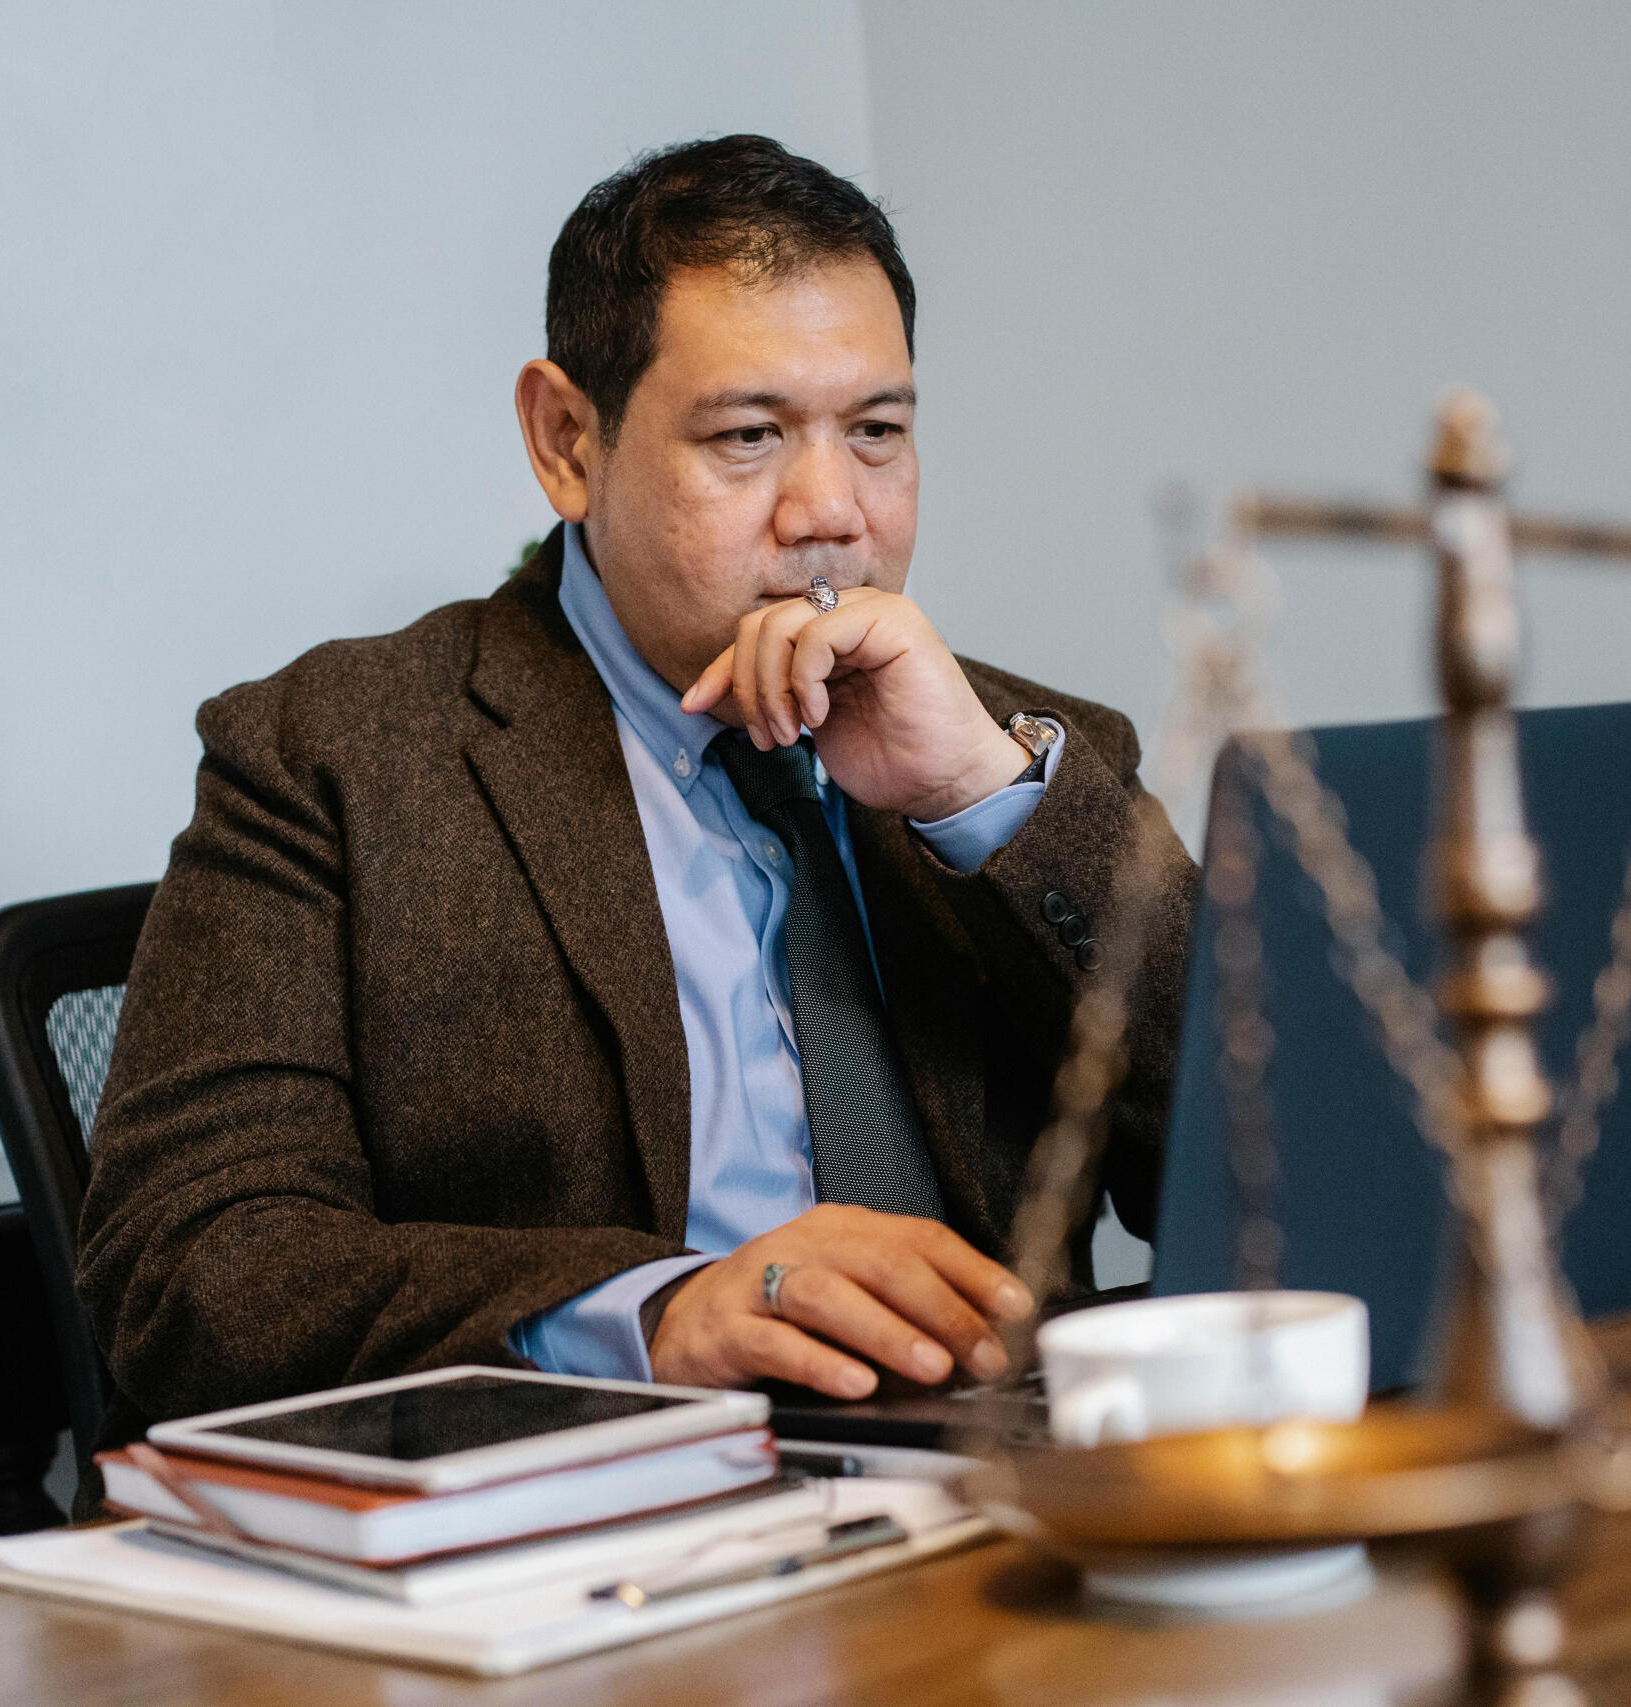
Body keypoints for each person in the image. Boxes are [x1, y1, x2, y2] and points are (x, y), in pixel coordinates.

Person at [76, 136, 1195, 1432]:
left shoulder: (1028, 754)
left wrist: (987, 804)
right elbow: (188, 1272)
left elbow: (1284, 1167)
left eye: (878, 432)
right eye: (749, 435)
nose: (832, 510)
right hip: (600, 1528)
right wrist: (654, 1313)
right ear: (567, 441)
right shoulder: (333, 759)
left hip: (1004, 1500)